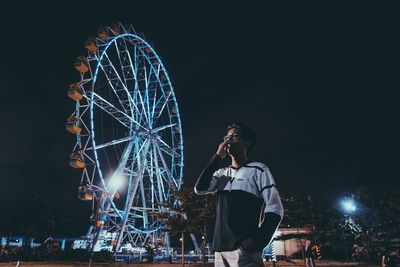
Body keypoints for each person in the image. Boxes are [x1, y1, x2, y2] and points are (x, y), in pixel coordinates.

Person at [195, 123, 284, 267]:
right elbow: (199, 189)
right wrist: (217, 156)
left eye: (234, 136)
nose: (228, 141)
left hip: (244, 250)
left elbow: (275, 207)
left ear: (246, 143)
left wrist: (258, 240)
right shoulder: (221, 174)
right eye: (227, 137)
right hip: (219, 251)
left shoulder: (258, 170)